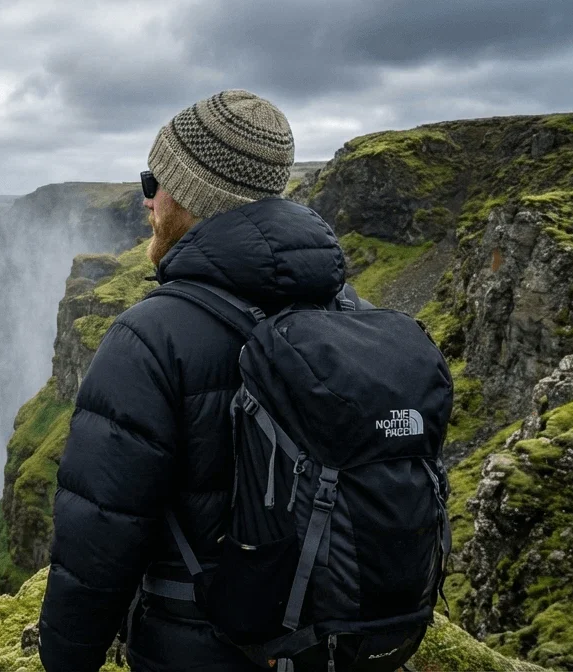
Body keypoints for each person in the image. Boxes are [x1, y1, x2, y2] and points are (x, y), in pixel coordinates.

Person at [37, 90, 348, 671]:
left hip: (201, 651)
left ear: (190, 196)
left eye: (153, 182)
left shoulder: (149, 337)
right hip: (330, 640)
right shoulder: (348, 312)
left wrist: (64, 661)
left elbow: (99, 539)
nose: (146, 202)